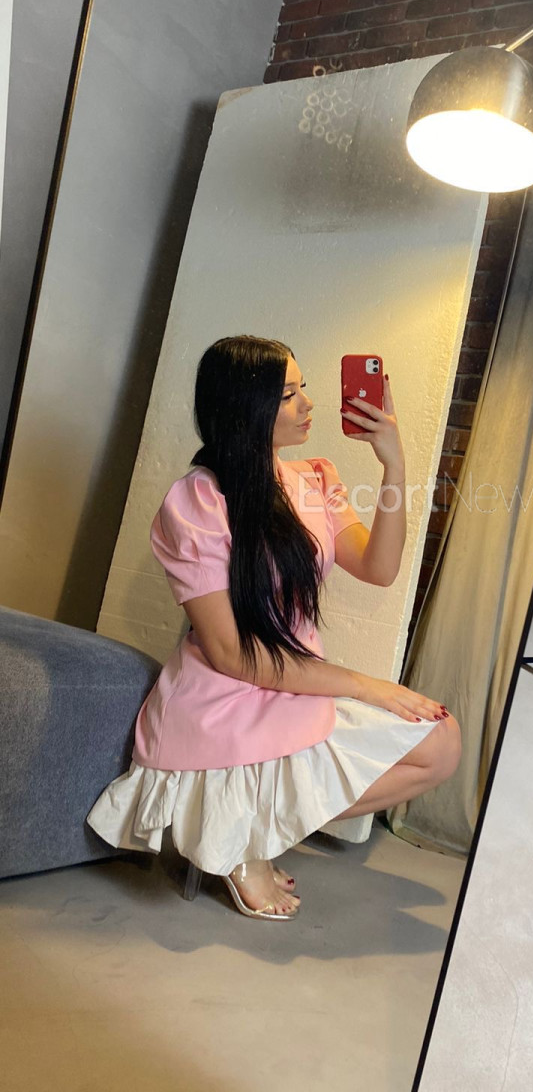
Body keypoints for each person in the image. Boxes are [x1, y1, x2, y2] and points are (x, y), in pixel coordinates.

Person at [87, 335, 461, 921]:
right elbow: (230, 654)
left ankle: (255, 827)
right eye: (288, 395)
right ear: (245, 408)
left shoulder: (314, 479)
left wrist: (394, 464)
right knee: (408, 727)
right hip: (229, 691)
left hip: (295, 681)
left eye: (303, 388)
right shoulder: (198, 502)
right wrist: (366, 686)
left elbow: (380, 568)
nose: (307, 403)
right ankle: (243, 839)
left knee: (441, 745)